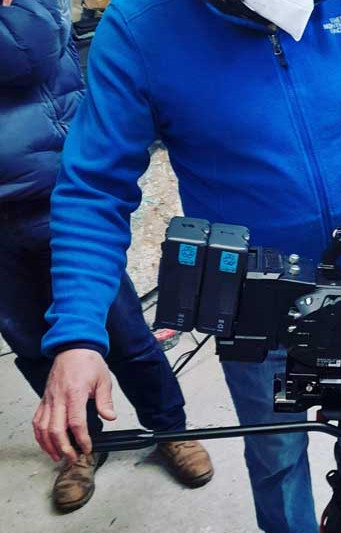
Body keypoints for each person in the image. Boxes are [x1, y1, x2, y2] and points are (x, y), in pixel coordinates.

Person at [36, 0, 341, 530]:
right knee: (277, 454)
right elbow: (93, 190)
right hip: (256, 305)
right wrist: (77, 334)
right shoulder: (141, 27)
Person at [0, 0, 213, 513]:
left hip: (58, 194)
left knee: (122, 333)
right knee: (32, 344)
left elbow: (27, 48)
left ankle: (169, 429)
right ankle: (81, 445)